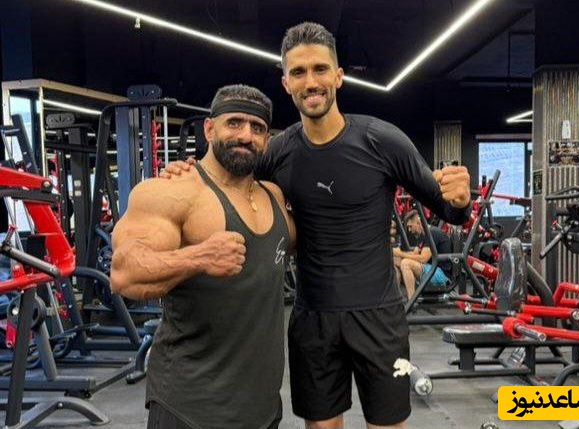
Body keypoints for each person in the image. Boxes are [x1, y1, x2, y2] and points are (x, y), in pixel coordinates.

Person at [162, 22, 471, 429]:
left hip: (379, 318)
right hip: (313, 320)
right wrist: (187, 171)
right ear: (286, 82)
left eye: (320, 69)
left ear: (338, 76)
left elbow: (451, 211)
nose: (311, 82)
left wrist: (461, 199)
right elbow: (228, 178)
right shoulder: (278, 151)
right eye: (299, 72)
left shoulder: (383, 140)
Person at [110, 84, 295, 429]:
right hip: (191, 406)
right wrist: (198, 257)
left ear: (266, 140)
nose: (246, 135)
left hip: (262, 406)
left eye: (257, 128)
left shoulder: (274, 195)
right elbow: (124, 274)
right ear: (210, 129)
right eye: (234, 123)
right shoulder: (172, 191)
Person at [393, 211, 452, 300]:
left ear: (418, 222)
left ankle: (411, 301)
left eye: (410, 226)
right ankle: (395, 299)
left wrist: (399, 253)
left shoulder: (432, 233)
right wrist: (397, 255)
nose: (409, 230)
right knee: (397, 261)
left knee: (406, 263)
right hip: (431, 269)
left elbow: (423, 259)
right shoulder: (422, 235)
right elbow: (414, 254)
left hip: (442, 275)